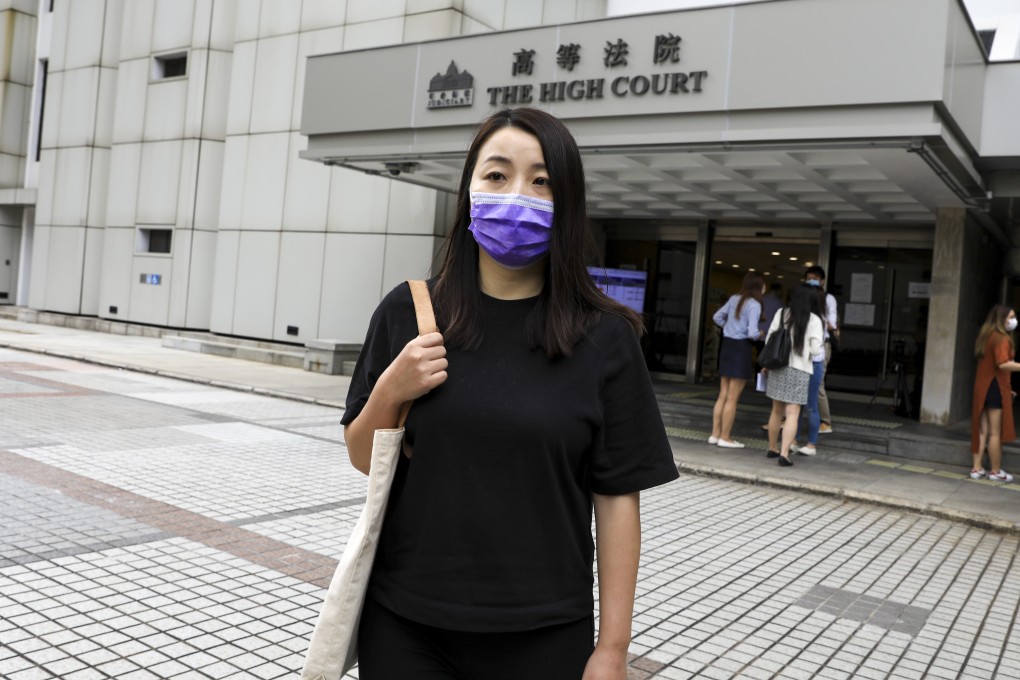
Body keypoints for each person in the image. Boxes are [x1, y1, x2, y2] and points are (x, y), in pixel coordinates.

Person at [340, 107, 680, 680]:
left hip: (545, 633)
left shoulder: (605, 337)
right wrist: (390, 391)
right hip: (406, 623)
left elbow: (618, 499)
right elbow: (361, 456)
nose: (516, 195)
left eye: (541, 180)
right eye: (496, 176)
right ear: (469, 189)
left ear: (567, 203)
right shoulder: (410, 311)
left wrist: (613, 648)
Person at [763, 283, 824, 466]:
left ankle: (772, 448)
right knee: (792, 413)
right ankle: (784, 453)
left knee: (776, 410)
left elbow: (769, 340)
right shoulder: (813, 320)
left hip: (778, 367)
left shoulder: (782, 313)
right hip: (800, 369)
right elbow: (815, 349)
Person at [709, 273, 765, 448]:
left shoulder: (734, 298)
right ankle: (725, 437)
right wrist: (762, 334)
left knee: (723, 394)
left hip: (727, 347)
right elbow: (752, 333)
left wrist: (729, 328)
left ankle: (714, 434)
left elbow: (716, 317)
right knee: (732, 398)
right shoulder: (754, 305)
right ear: (758, 287)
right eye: (763, 286)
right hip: (741, 349)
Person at [971, 304, 1020, 482]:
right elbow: (1003, 364)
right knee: (995, 433)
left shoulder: (986, 336)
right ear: (1002, 319)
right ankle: (995, 471)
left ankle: (976, 469)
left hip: (983, 387)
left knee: (982, 431)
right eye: (1011, 317)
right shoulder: (1002, 339)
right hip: (994, 389)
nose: (1014, 320)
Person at [790, 281, 828, 456]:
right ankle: (797, 441)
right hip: (811, 364)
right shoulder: (813, 318)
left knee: (803, 405)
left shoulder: (816, 320)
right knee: (804, 406)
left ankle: (809, 443)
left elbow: (816, 351)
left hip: (809, 364)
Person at [805, 266, 839, 433]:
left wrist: (825, 320)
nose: (811, 281)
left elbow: (832, 321)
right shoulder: (803, 296)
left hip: (820, 344)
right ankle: (787, 418)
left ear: (822, 281)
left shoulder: (828, 298)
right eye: (809, 278)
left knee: (818, 383)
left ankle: (825, 421)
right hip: (802, 343)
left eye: (815, 278)